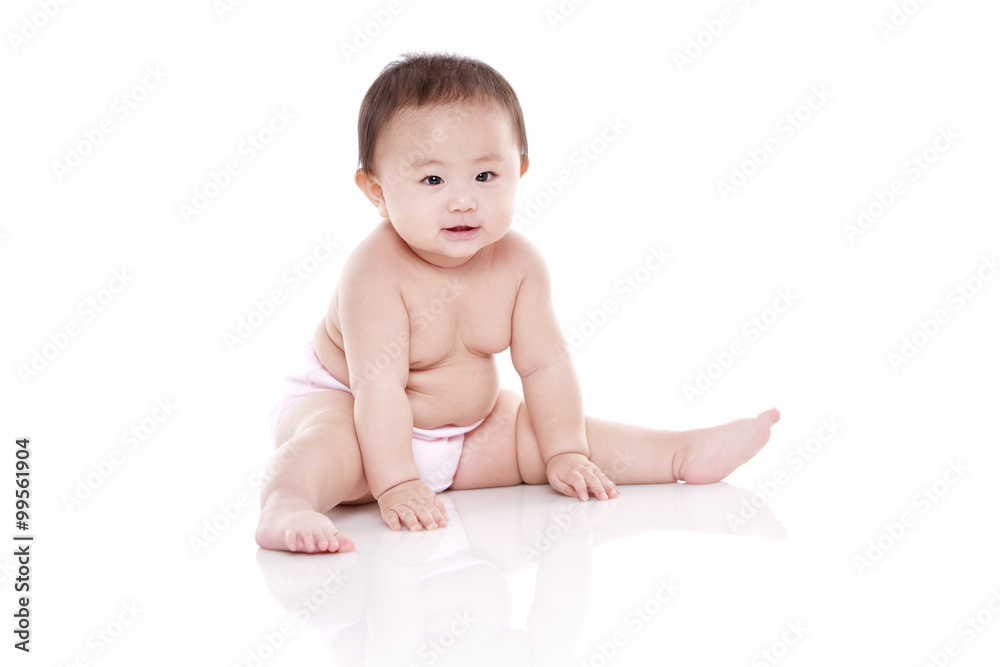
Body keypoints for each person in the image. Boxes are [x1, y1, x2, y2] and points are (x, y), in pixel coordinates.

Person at [255, 52, 780, 553]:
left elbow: (546, 365)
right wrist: (394, 483)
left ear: (519, 172)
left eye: (485, 176)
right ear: (375, 191)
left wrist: (564, 452)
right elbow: (379, 388)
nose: (463, 199)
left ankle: (680, 453)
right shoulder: (373, 272)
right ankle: (286, 505)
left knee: (545, 432)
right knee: (332, 445)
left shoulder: (518, 266)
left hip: (462, 437)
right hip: (356, 407)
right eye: (432, 179)